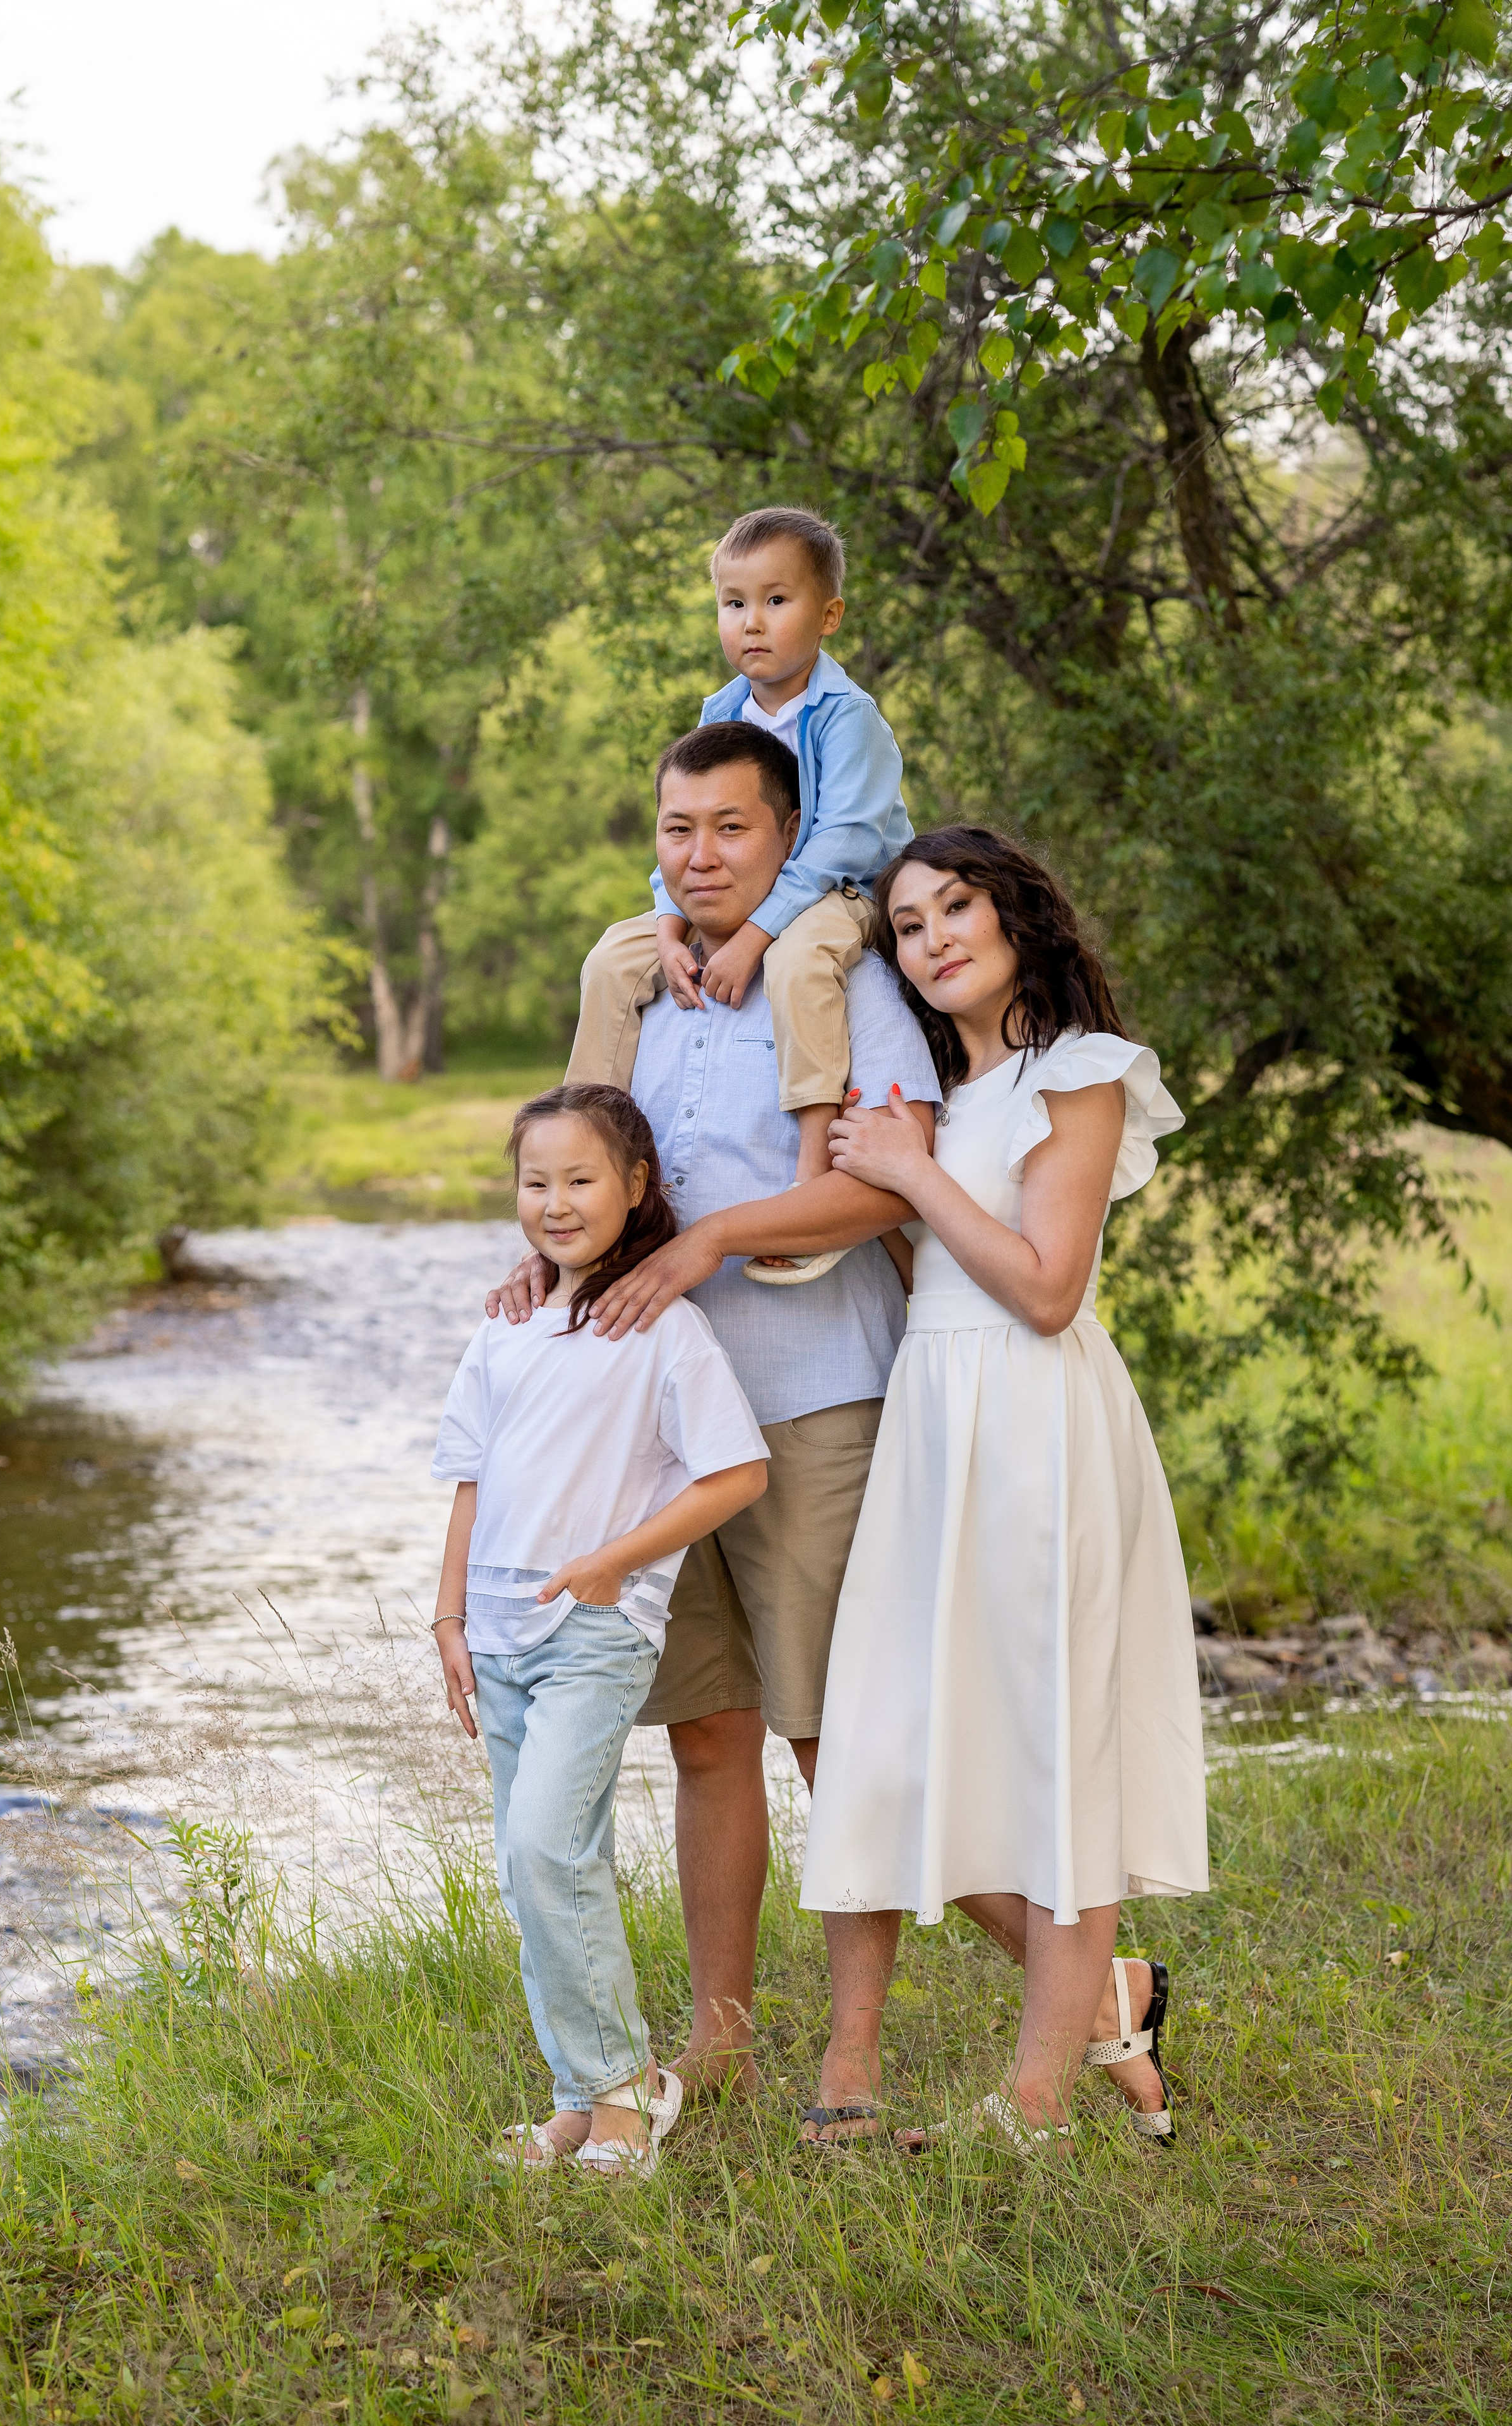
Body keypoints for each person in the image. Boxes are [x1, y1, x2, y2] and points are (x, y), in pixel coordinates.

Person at [489, 720, 940, 2101]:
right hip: (658, 1427)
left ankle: (853, 2054)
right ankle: (722, 2037)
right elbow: (596, 1166)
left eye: (731, 829)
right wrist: (560, 1250)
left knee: (829, 1730)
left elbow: (884, 1186)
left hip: (811, 1396)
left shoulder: (839, 973)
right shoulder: (635, 980)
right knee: (705, 1733)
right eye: (679, 830)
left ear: (785, 839)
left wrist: (704, 1244)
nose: (700, 856)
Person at [799, 826, 1209, 2151]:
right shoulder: (936, 1093)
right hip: (934, 1421)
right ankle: (1114, 1997)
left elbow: (1042, 1288)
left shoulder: (1076, 1073)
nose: (931, 941)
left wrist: (909, 1177)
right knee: (899, 1737)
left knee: (1049, 1745)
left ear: (1017, 915)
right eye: (908, 927)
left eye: (954, 908)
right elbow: (928, 1274)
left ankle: (1031, 2106)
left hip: (1037, 1425)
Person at [431, 1083, 769, 2176]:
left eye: (581, 1181)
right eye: (537, 1182)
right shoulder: (507, 1325)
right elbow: (470, 1481)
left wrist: (618, 1560)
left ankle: (630, 2091)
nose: (557, 1203)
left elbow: (738, 1471)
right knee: (529, 1866)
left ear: (635, 1189)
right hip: (496, 1630)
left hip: (598, 1626)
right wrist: (447, 1614)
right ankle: (579, 2095)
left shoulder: (668, 1331)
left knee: (548, 1844)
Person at [566, 504, 913, 1246]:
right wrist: (668, 929)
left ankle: (812, 1173)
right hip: (759, 896)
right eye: (733, 604)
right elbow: (685, 826)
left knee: (797, 963)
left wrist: (754, 936)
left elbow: (841, 844)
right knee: (612, 959)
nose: (750, 622)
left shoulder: (849, 718)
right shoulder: (721, 710)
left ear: (829, 616)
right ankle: (579, 1155)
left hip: (849, 893)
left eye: (775, 601)